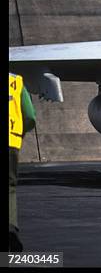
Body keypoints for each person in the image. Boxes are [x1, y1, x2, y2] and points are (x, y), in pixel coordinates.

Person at [9, 73, 37, 252]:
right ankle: (10, 227)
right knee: (9, 187)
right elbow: (30, 117)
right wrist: (19, 134)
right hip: (11, 143)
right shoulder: (15, 81)